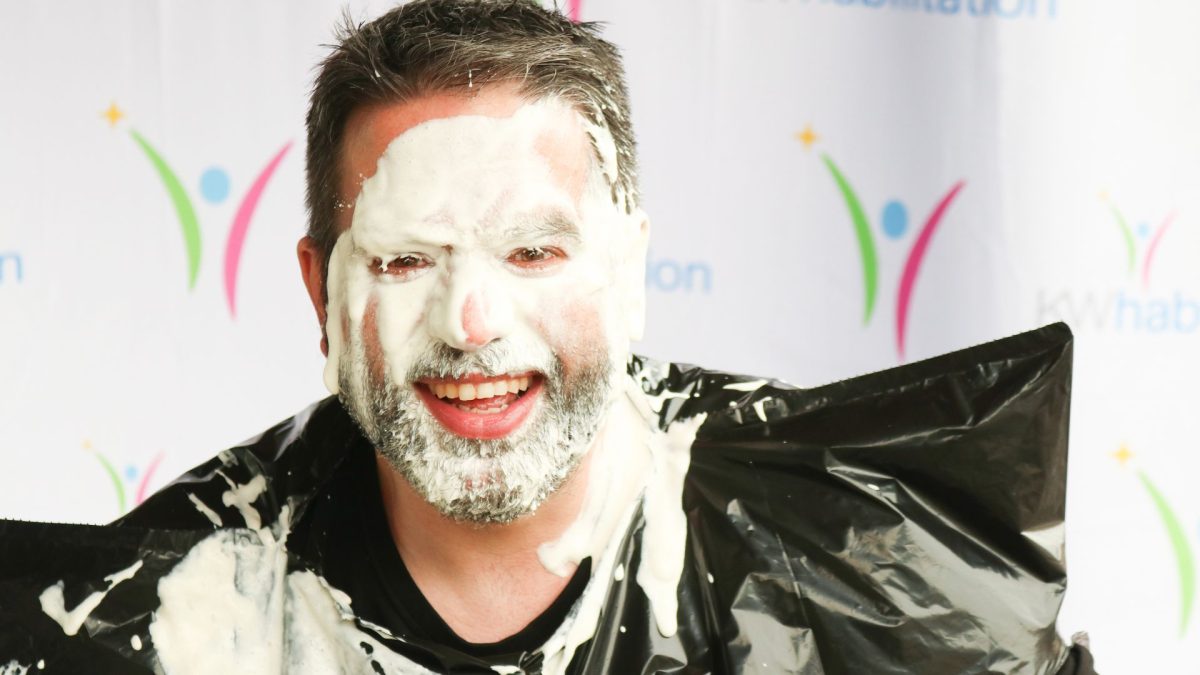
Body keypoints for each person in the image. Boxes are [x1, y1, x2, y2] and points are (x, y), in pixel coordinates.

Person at [0, 2, 1098, 673]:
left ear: (628, 271)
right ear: (319, 295)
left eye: (532, 253)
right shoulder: (174, 615)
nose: (472, 324)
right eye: (404, 261)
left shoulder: (864, 565)